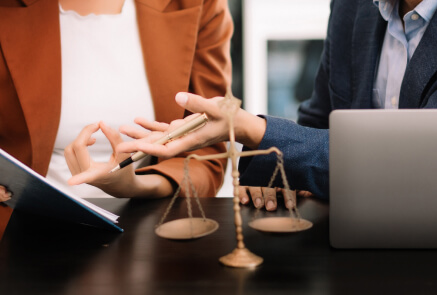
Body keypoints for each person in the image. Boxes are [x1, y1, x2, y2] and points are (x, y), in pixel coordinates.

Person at [103, 0, 437, 204]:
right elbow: (317, 123)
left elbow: (417, 165)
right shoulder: (353, 8)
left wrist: (254, 130)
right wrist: (279, 172)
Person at [0, 0, 232, 237]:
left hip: (148, 235)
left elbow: (208, 152)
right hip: (18, 232)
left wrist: (137, 185)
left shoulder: (199, 4)